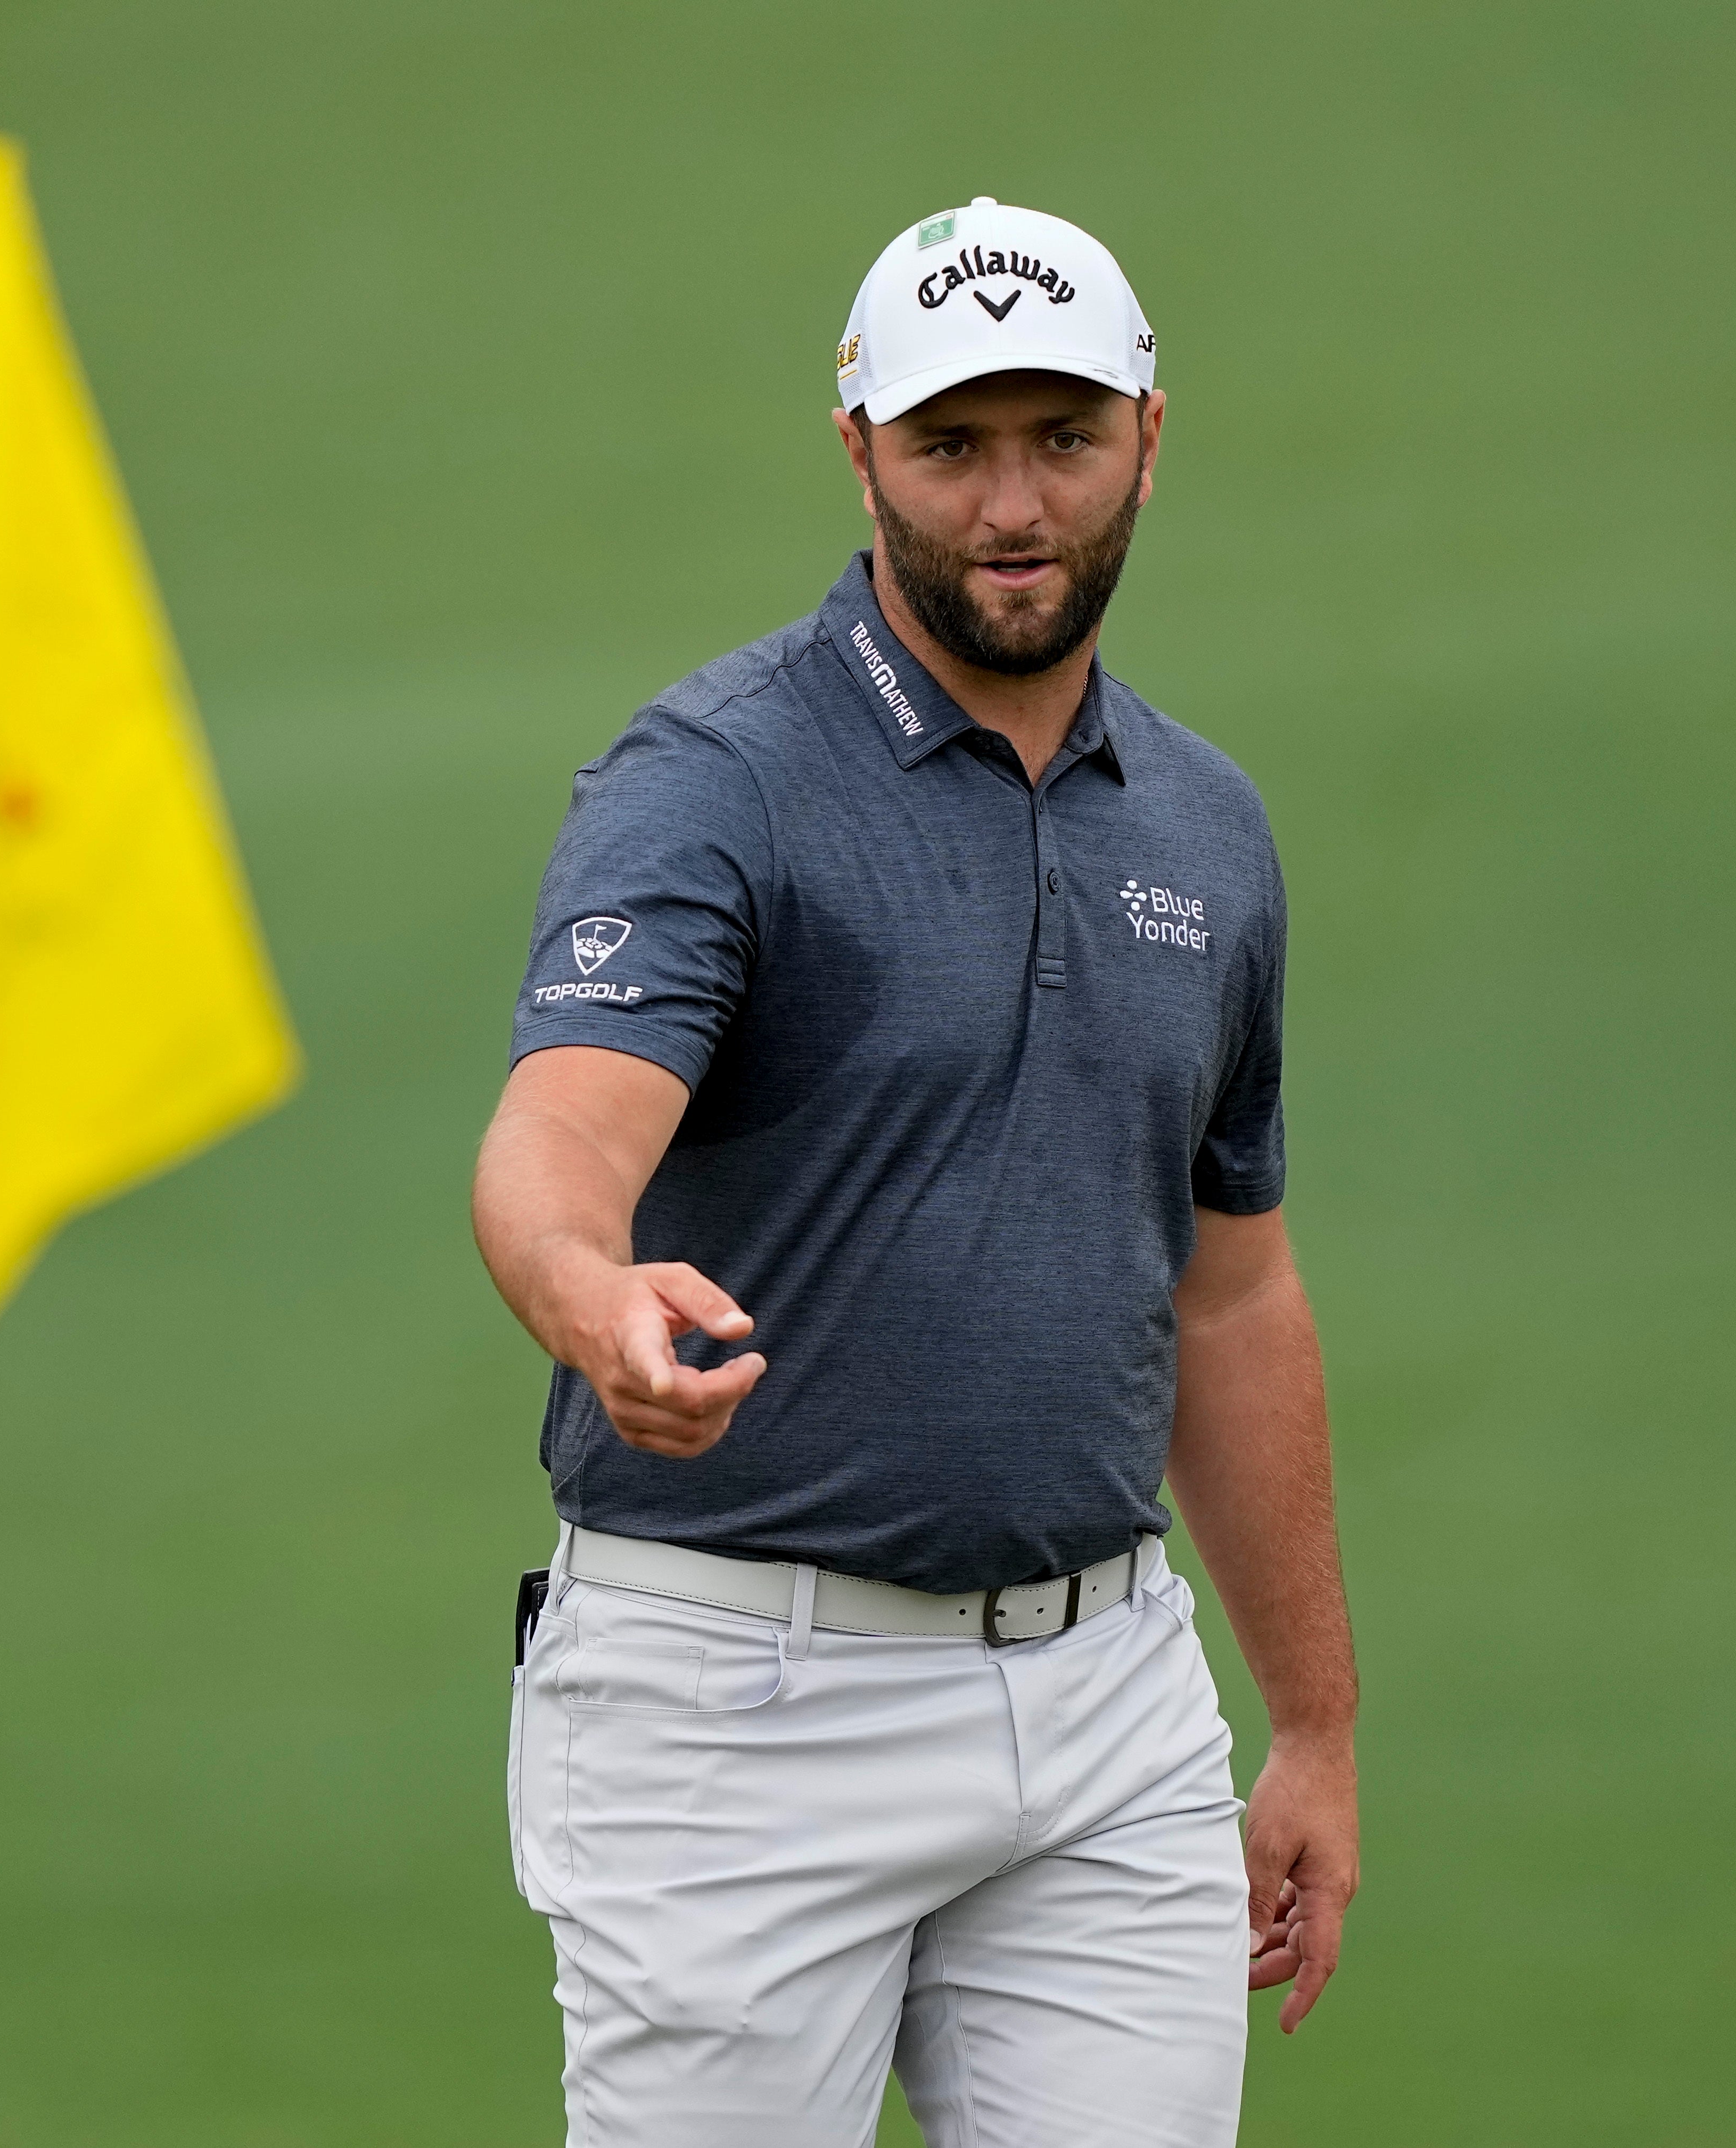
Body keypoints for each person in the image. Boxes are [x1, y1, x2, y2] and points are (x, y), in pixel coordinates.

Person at [472, 196, 1359, 2148]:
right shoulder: (713, 778)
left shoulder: (1206, 828)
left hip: (1109, 1699)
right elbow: (555, 1137)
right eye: (952, 447)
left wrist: (1309, 1724)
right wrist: (593, 1296)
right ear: (860, 446)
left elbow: (1230, 1290)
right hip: (735, 1706)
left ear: (1148, 431)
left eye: (1063, 437)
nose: (1012, 504)